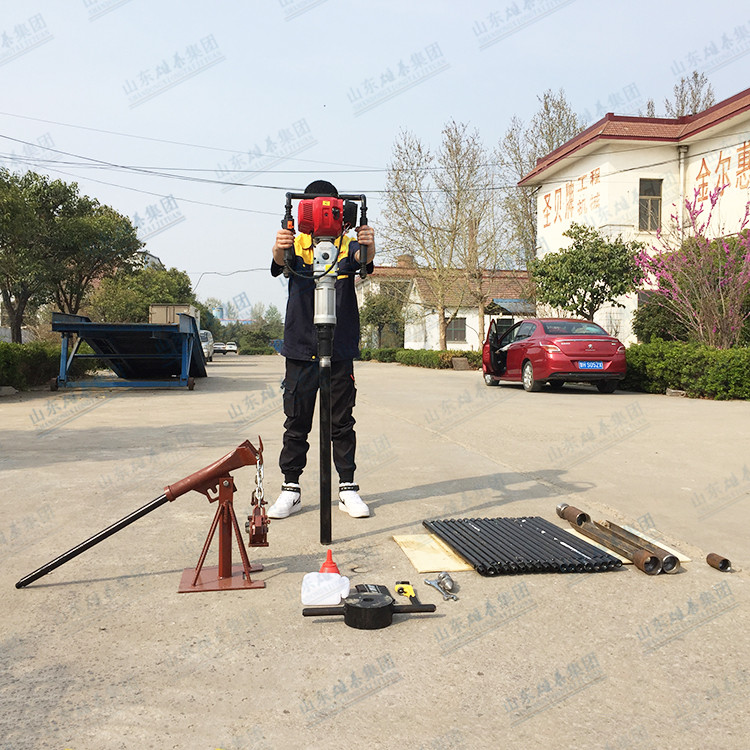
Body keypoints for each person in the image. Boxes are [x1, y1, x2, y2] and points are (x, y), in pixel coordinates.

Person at [267, 180, 376, 520]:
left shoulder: (346, 244)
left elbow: (363, 260)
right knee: (296, 422)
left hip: (339, 347)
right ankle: (291, 489)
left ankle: (347, 488)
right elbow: (279, 263)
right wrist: (279, 245)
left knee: (341, 422)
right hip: (301, 347)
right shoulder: (296, 243)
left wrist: (369, 245)